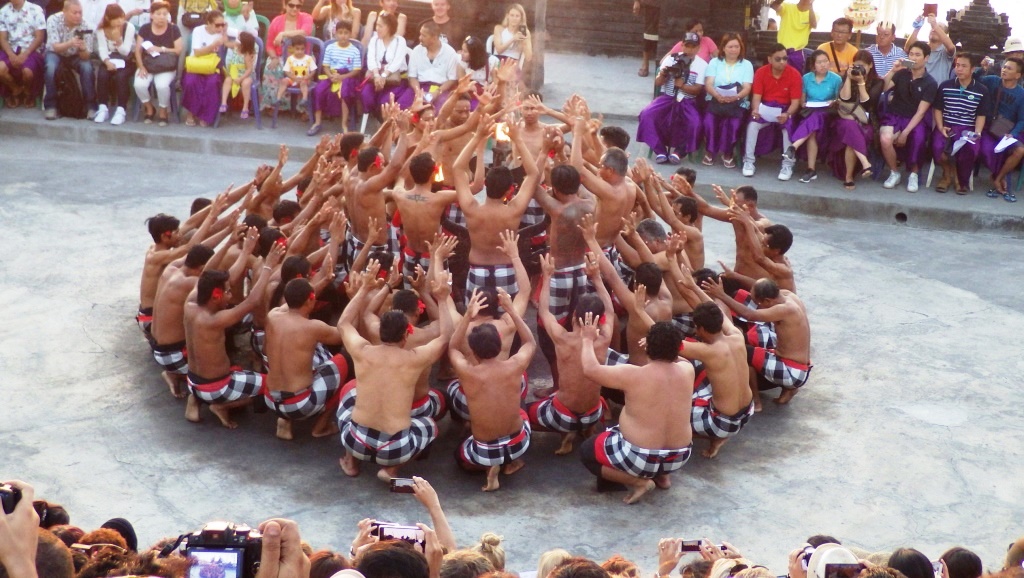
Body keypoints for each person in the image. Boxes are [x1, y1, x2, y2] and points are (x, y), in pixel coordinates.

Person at [336, 266, 454, 481]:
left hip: (357, 441)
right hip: (394, 449)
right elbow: (445, 335)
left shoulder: (362, 350)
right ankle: (391, 470)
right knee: (430, 425)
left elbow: (343, 323)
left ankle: (350, 461)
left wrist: (364, 289)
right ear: (406, 336)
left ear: (379, 331)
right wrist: (443, 299)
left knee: (349, 395)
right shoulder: (415, 358)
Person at [578, 319, 694, 504]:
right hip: (678, 457)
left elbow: (590, 369)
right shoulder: (688, 370)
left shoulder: (633, 374)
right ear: (678, 349)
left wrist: (586, 339)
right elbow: (680, 358)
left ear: (647, 348)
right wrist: (665, 345)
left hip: (639, 458)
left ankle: (639, 482)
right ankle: (663, 477)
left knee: (587, 451)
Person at [183, 243, 283, 428]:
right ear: (216, 296)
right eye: (228, 292)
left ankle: (195, 399)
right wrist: (268, 267)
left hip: (193, 382)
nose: (230, 295)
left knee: (241, 372)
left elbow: (208, 274)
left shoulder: (190, 303)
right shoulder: (214, 320)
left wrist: (245, 251)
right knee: (275, 385)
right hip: (217, 387)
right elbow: (253, 301)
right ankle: (221, 406)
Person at [449, 289, 536, 492]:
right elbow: (530, 342)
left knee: (459, 457)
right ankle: (511, 462)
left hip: (484, 451)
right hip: (518, 443)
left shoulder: (468, 371)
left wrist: (467, 316)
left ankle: (490, 466)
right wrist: (511, 311)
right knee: (522, 409)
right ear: (500, 345)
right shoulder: (515, 364)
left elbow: (453, 347)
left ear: (473, 351)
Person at [530, 255, 613, 455]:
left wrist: (547, 277)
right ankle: (587, 427)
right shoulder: (604, 339)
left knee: (527, 413)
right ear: (599, 320)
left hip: (563, 415)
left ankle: (566, 433)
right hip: (593, 413)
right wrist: (596, 278)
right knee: (592, 402)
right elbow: (610, 311)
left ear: (574, 315)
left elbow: (544, 311)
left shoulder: (562, 338)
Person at [453, 119, 538, 302]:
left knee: (476, 317)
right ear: (509, 191)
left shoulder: (471, 208)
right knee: (508, 317)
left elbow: (457, 168)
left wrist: (478, 137)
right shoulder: (514, 210)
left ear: (485, 184)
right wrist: (517, 139)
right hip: (506, 270)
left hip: (477, 271)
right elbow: (533, 174)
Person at [263, 277, 352, 441]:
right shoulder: (313, 327)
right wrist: (355, 297)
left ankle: (284, 420)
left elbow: (294, 299)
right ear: (310, 299)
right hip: (299, 404)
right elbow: (345, 335)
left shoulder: (272, 315)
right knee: (346, 359)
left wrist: (320, 282)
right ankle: (321, 427)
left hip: (270, 399)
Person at [707, 277, 810, 406]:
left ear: (767, 300)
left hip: (791, 371)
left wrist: (721, 295)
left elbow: (749, 315)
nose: (759, 306)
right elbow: (761, 285)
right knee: (750, 348)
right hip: (795, 365)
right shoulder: (789, 295)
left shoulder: (785, 309)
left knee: (739, 350)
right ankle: (789, 388)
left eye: (760, 303)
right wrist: (733, 274)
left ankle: (755, 400)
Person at [150, 242, 220, 399]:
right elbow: (226, 279)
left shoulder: (171, 268)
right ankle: (193, 397)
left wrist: (229, 235)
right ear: (201, 268)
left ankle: (173, 373)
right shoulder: (191, 283)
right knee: (214, 374)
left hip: (159, 349)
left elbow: (194, 247)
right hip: (173, 355)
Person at [636, 32, 707, 165]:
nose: (689, 49)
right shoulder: (671, 59)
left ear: (698, 48)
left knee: (695, 123)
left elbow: (698, 89)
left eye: (693, 46)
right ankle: (660, 150)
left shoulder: (702, 65)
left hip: (688, 100)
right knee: (647, 114)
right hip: (667, 97)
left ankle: (679, 152)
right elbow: (658, 83)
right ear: (682, 45)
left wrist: (683, 86)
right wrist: (664, 74)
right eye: (687, 46)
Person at [879, 41, 937, 193]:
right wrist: (893, 70)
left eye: (918, 55)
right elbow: (883, 88)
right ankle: (894, 172)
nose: (913, 58)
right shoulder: (901, 74)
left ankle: (914, 174)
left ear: (926, 58)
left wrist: (905, 133)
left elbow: (921, 112)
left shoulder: (930, 82)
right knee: (885, 139)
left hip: (915, 119)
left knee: (918, 138)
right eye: (911, 54)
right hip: (894, 115)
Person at [931, 52, 991, 195]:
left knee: (970, 149)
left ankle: (960, 179)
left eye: (964, 66)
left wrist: (977, 132)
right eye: (957, 65)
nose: (959, 69)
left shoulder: (981, 90)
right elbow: (937, 109)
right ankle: (947, 174)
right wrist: (940, 127)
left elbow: (981, 115)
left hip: (968, 128)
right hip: (947, 125)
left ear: (972, 69)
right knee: (937, 147)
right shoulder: (945, 86)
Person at [742, 43, 802, 179]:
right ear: (769, 59)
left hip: (785, 109)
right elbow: (756, 97)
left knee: (788, 128)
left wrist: (787, 114)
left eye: (785, 58)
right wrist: (756, 110)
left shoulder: (794, 74)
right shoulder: (761, 72)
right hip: (765, 108)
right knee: (752, 124)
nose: (782, 62)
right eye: (778, 59)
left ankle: (788, 164)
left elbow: (795, 103)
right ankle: (749, 161)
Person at [783, 49, 841, 183]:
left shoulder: (836, 79)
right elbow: (802, 101)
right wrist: (804, 103)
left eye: (825, 61)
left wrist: (834, 101)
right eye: (819, 62)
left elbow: (840, 100)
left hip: (828, 114)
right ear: (813, 65)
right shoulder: (806, 78)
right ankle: (811, 170)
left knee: (817, 118)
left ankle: (793, 147)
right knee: (812, 129)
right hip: (810, 112)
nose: (823, 65)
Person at [831, 50, 883, 189]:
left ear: (870, 65)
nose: (859, 69)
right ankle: (865, 163)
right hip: (845, 118)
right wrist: (849, 79)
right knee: (850, 126)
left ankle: (849, 176)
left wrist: (861, 83)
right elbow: (845, 99)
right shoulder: (847, 76)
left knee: (852, 131)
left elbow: (869, 104)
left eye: (863, 66)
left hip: (866, 121)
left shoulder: (878, 82)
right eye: (856, 65)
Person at [702, 33, 754, 168]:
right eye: (730, 47)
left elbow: (747, 87)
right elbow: (709, 84)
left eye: (737, 46)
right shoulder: (714, 62)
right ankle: (710, 151)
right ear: (723, 48)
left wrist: (736, 97)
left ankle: (728, 153)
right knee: (709, 121)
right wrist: (717, 95)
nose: (734, 50)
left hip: (737, 101)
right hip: (716, 99)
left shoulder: (746, 64)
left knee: (734, 123)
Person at [43, 0, 96, 120]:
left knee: (87, 67)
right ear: (64, 11)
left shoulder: (86, 26)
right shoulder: (53, 20)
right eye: (74, 13)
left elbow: (86, 56)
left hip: (74, 55)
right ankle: (51, 106)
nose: (78, 16)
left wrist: (83, 49)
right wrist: (71, 43)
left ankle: (91, 106)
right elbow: (55, 47)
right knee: (50, 67)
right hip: (55, 52)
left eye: (80, 12)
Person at [981, 57, 1024, 199]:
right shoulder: (993, 81)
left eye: (1009, 68)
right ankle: (998, 178)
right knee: (988, 150)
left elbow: (1022, 120)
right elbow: (974, 79)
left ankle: (998, 178)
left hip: (1008, 131)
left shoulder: (1021, 94)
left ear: (1017, 75)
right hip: (989, 127)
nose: (1004, 70)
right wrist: (983, 69)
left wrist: (1013, 134)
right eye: (1004, 67)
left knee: (1020, 150)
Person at [261, 0, 314, 116]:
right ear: (285, 5)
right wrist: (274, 57)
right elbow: (269, 45)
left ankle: (303, 108)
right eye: (291, 5)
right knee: (271, 68)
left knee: (306, 70)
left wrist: (283, 34)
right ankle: (274, 104)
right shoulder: (276, 21)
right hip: (281, 56)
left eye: (298, 6)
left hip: (302, 56)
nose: (295, 8)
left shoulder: (306, 17)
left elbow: (304, 32)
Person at [308, 21, 361, 135]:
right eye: (340, 33)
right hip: (331, 75)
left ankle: (344, 124)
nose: (343, 36)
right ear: (336, 34)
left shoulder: (354, 51)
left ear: (350, 34)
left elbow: (356, 70)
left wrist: (342, 77)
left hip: (347, 77)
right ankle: (317, 122)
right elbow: (326, 66)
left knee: (345, 92)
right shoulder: (330, 48)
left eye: (346, 33)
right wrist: (330, 76)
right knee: (319, 90)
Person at [133, 0, 180, 126]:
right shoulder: (145, 29)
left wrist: (161, 49)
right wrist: (141, 67)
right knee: (139, 84)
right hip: (148, 65)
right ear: (152, 15)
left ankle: (163, 110)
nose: (162, 17)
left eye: (165, 14)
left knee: (162, 86)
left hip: (166, 66)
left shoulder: (173, 29)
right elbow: (138, 51)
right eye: (158, 14)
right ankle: (149, 108)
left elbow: (178, 50)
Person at [360, 11, 412, 121]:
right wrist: (376, 75)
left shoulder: (400, 41)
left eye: (380, 26)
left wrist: (383, 76)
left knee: (385, 102)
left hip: (395, 81)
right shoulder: (374, 40)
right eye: (377, 25)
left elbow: (396, 62)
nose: (377, 28)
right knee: (366, 95)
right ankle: (372, 119)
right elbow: (371, 59)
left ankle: (384, 125)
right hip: (376, 78)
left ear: (389, 27)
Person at [181, 9, 227, 128]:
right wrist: (213, 45)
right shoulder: (198, 30)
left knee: (212, 83)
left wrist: (225, 34)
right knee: (191, 82)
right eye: (217, 25)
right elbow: (197, 52)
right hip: (197, 64)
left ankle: (205, 115)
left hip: (212, 65)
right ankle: (191, 113)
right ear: (209, 23)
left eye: (223, 24)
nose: (220, 27)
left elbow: (241, 35)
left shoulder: (222, 32)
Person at [94, 3, 135, 125]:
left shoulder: (129, 27)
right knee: (102, 74)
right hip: (110, 58)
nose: (120, 21)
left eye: (121, 17)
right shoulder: (101, 29)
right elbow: (102, 49)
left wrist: (118, 41)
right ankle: (103, 108)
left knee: (121, 76)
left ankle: (121, 110)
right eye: (116, 19)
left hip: (127, 59)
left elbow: (126, 51)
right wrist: (107, 62)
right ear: (108, 19)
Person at [0, 0, 45, 109]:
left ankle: (28, 92)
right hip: (11, 49)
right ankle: (16, 90)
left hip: (31, 49)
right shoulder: (3, 11)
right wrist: (11, 55)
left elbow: (39, 37)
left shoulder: (36, 10)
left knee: (28, 72)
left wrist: (25, 54)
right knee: (0, 69)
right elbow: (3, 38)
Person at [408, 21, 458, 108]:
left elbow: (452, 79)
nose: (420, 38)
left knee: (439, 110)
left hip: (441, 89)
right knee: (402, 107)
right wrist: (418, 92)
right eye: (420, 34)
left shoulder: (450, 52)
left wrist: (437, 92)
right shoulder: (416, 50)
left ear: (434, 38)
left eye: (424, 36)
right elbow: (412, 76)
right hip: (419, 87)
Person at [905, 13, 955, 84]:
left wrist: (934, 25)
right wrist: (917, 27)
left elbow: (951, 47)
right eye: (932, 28)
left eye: (939, 28)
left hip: (938, 89)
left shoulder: (945, 51)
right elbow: (907, 49)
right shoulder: (922, 48)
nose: (934, 29)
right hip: (918, 87)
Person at [219, 29, 257, 120]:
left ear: (243, 44)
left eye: (239, 39)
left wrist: (241, 78)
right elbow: (226, 43)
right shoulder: (236, 47)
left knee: (245, 83)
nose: (237, 40)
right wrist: (224, 33)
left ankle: (245, 107)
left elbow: (249, 69)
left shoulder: (247, 54)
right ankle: (224, 103)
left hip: (246, 74)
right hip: (234, 73)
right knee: (227, 80)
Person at [770, 0, 815, 74]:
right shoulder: (787, 7)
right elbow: (774, 5)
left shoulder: (814, 15)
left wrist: (810, 5)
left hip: (797, 53)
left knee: (795, 77)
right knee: (777, 76)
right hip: (781, 50)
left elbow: (814, 24)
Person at [276, 34, 316, 110]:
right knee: (284, 81)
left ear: (305, 48)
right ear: (292, 48)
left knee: (303, 83)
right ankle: (278, 98)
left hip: (304, 79)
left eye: (302, 49)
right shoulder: (290, 59)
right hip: (293, 78)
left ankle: (304, 99)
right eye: (297, 49)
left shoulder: (309, 58)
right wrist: (292, 77)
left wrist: (308, 76)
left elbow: (313, 70)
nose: (300, 51)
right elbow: (286, 71)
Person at [492, 3, 532, 71]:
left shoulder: (525, 32)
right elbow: (498, 50)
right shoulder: (499, 29)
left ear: (521, 18)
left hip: (513, 62)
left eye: (517, 16)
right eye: (512, 15)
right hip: (498, 59)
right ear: (507, 16)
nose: (514, 18)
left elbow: (528, 58)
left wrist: (524, 42)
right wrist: (513, 39)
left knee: (510, 70)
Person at [633, 0, 660, 77]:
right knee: (649, 34)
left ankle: (663, 66)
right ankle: (645, 64)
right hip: (651, 4)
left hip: (670, 5)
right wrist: (636, 1)